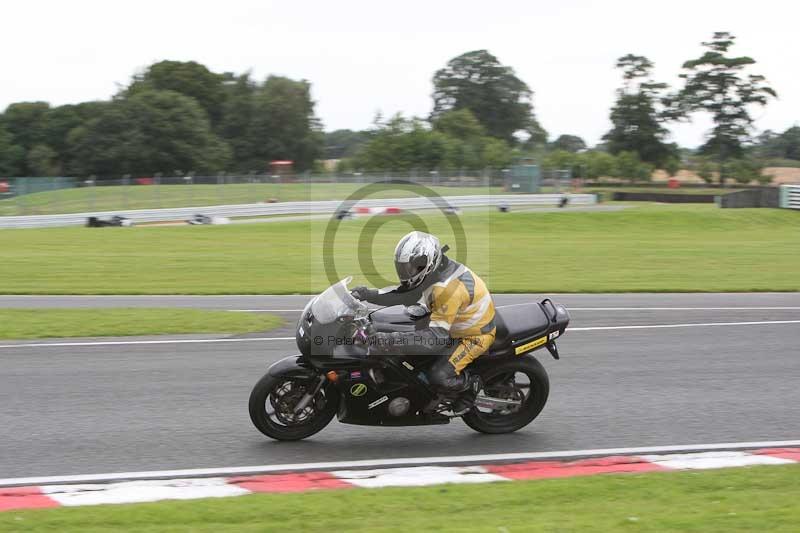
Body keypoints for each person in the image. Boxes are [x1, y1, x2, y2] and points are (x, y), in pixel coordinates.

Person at [351, 231, 496, 414]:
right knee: (391, 326)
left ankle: (470, 386)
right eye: (403, 267)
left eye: (411, 268)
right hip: (452, 320)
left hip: (473, 335)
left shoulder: (446, 290)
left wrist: (385, 339)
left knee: (438, 376)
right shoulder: (434, 271)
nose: (406, 273)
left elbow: (434, 340)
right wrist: (365, 294)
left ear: (427, 263)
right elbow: (405, 294)